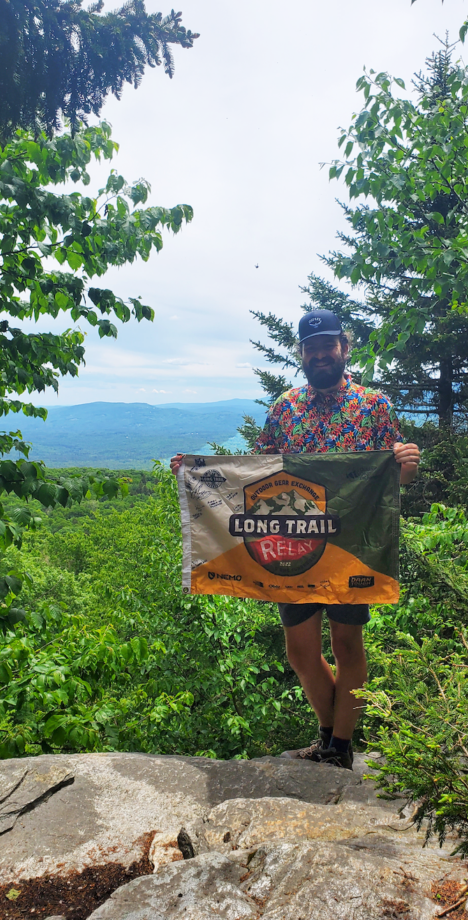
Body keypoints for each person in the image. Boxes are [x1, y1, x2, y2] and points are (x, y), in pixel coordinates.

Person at [171, 309, 420, 769]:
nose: (321, 354)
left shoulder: (374, 406)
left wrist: (406, 466)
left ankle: (341, 749)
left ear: (344, 348)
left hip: (350, 549)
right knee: (301, 651)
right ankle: (329, 738)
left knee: (348, 647)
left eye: (328, 345)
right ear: (302, 354)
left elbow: (392, 483)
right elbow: (255, 472)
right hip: (294, 546)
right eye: (311, 347)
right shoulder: (285, 408)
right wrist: (199, 474)